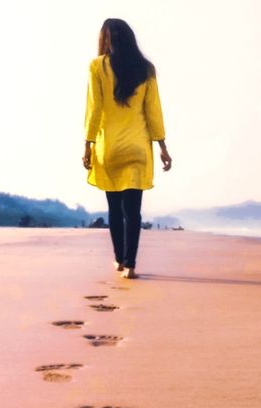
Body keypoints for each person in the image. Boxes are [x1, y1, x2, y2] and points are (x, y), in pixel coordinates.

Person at [83, 18, 172, 279]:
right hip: (137, 149)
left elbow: (94, 109)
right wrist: (163, 146)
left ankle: (119, 260)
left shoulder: (97, 66)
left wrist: (88, 144)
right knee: (132, 211)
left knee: (114, 208)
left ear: (105, 39)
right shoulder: (146, 68)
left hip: (108, 147)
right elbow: (153, 111)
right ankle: (131, 265)